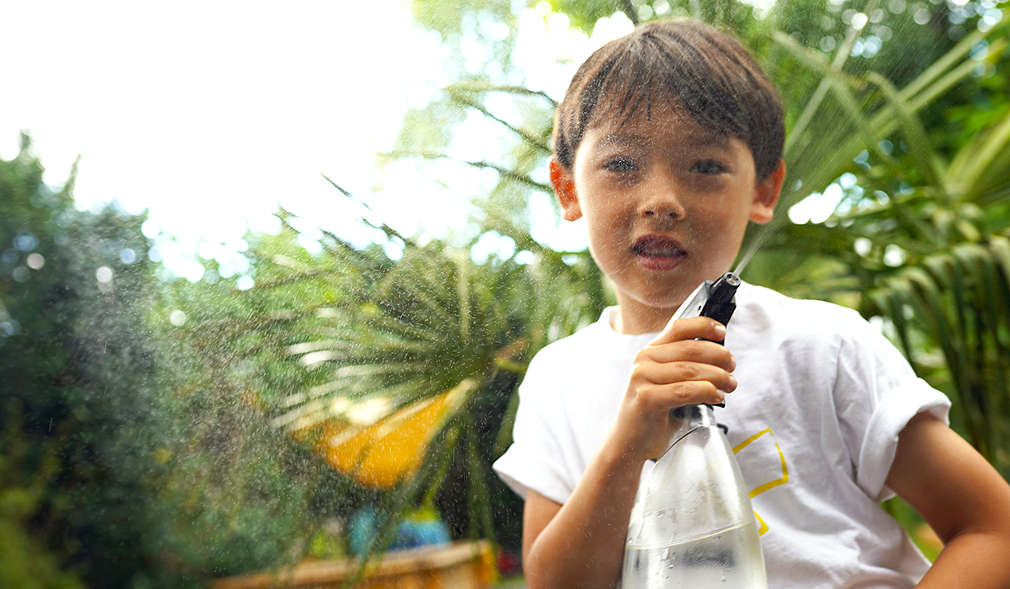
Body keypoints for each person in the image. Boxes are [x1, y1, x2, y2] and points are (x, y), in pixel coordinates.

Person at [492, 18, 1010, 588]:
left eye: (706, 166)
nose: (662, 201)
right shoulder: (557, 378)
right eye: (621, 164)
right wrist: (630, 439)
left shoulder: (823, 344)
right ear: (568, 190)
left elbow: (991, 527)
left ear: (764, 190)